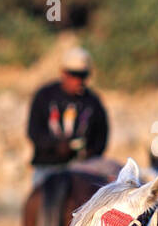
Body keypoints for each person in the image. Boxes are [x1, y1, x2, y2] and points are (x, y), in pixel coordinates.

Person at [27, 47, 109, 187]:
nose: (79, 80)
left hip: (81, 167)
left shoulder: (92, 102)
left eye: (83, 75)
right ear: (63, 73)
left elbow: (102, 135)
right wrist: (56, 145)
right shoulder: (45, 96)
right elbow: (34, 131)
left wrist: (90, 152)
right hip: (47, 165)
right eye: (75, 75)